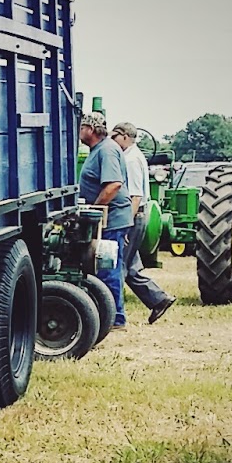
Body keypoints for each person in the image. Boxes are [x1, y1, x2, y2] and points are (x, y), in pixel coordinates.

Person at [113, 122, 176, 324]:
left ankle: (114, 316)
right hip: (136, 217)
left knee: (118, 267)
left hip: (133, 217)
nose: (112, 142)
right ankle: (159, 299)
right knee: (130, 268)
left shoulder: (130, 160)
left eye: (114, 137)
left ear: (124, 136)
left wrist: (125, 225)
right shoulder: (134, 156)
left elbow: (135, 196)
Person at [78, 113, 134, 329]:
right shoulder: (98, 150)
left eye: (82, 127)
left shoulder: (107, 150)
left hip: (112, 219)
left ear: (90, 130)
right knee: (108, 266)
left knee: (107, 266)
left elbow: (113, 185)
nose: (79, 132)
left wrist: (95, 210)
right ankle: (112, 316)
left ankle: (115, 319)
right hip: (111, 218)